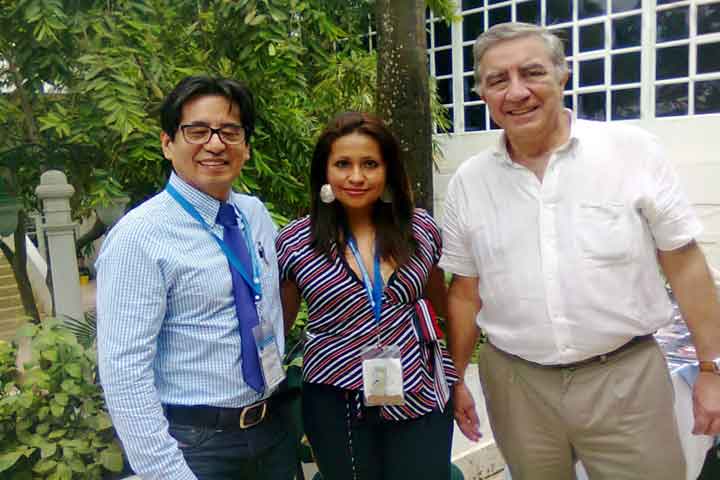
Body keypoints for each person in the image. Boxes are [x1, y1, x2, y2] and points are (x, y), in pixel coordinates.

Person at [441, 22, 720, 480]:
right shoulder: (469, 182)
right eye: (498, 80)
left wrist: (712, 369)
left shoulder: (632, 152)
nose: (517, 92)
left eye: (532, 72)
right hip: (517, 386)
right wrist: (454, 379)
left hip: (625, 380)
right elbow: (465, 293)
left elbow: (685, 263)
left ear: (562, 74)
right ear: (482, 93)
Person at [97, 75, 296, 480]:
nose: (216, 144)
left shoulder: (253, 215)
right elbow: (125, 371)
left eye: (230, 132)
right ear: (167, 143)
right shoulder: (139, 237)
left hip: (270, 431)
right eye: (197, 131)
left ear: (246, 146)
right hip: (195, 446)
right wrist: (166, 472)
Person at [276, 112, 457, 479]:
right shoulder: (295, 243)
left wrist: (460, 375)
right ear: (325, 172)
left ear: (387, 170)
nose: (356, 177)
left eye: (370, 164)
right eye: (343, 164)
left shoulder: (420, 229)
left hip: (419, 389)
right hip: (334, 398)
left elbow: (445, 307)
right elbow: (278, 326)